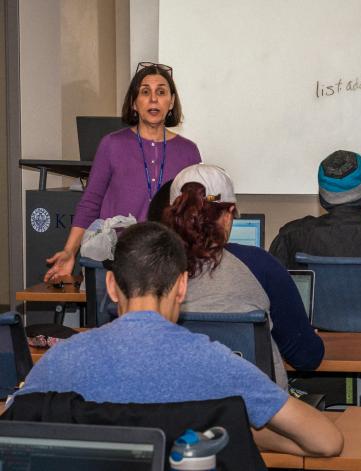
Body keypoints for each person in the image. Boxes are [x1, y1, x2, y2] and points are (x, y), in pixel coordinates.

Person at [16, 222, 343, 457]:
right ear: (182, 286)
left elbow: (16, 425)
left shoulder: (62, 360)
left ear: (112, 286)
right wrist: (245, 434)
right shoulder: (217, 363)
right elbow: (326, 441)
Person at [163, 164, 324, 387]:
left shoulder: (152, 267)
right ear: (229, 215)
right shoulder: (260, 265)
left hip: (175, 405)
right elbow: (307, 357)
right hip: (253, 413)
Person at [44, 62, 201, 283]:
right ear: (134, 103)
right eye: (145, 92)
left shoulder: (188, 151)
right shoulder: (112, 145)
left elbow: (197, 213)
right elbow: (90, 202)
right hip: (118, 263)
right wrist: (70, 251)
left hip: (169, 263)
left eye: (161, 92)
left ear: (171, 102)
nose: (153, 99)